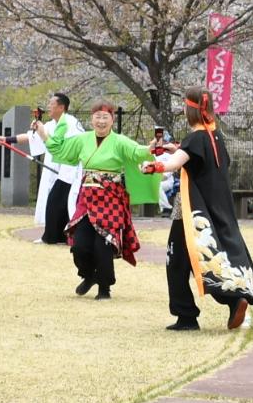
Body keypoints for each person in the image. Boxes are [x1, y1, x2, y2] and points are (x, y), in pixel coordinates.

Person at [143, 88, 253, 330]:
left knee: (176, 260)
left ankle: (186, 315)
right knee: (212, 255)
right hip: (216, 207)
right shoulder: (215, 136)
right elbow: (201, 159)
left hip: (190, 212)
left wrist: (152, 166)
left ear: (189, 110)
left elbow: (175, 164)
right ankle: (234, 299)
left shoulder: (195, 138)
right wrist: (177, 147)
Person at [12, 102, 158, 299]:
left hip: (110, 198)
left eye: (105, 117)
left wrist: (150, 148)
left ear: (112, 120)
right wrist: (43, 133)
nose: (101, 121)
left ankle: (104, 288)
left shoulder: (120, 141)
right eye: (97, 117)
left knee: (103, 243)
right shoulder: (82, 140)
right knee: (79, 244)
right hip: (87, 197)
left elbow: (136, 152)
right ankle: (89, 275)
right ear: (92, 120)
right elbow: (61, 150)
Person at [30, 93, 84, 245]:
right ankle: (59, 235)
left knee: (58, 201)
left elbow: (54, 145)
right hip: (66, 167)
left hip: (72, 167)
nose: (48, 106)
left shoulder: (67, 123)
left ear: (61, 107)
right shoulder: (58, 123)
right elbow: (32, 137)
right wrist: (9, 140)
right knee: (59, 201)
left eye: (51, 104)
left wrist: (41, 132)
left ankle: (57, 236)